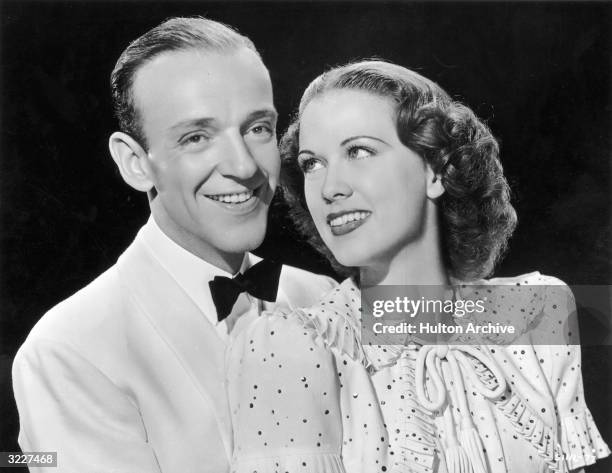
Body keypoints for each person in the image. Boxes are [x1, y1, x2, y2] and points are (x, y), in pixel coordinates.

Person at [226, 60, 610, 472]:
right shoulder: (290, 349)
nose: (331, 188)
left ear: (435, 170)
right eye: (311, 164)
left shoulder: (535, 316)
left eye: (358, 151)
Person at [12, 17, 335, 473]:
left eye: (258, 127)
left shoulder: (321, 296)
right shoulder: (68, 351)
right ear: (135, 163)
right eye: (196, 137)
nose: (243, 166)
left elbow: (455, 324)